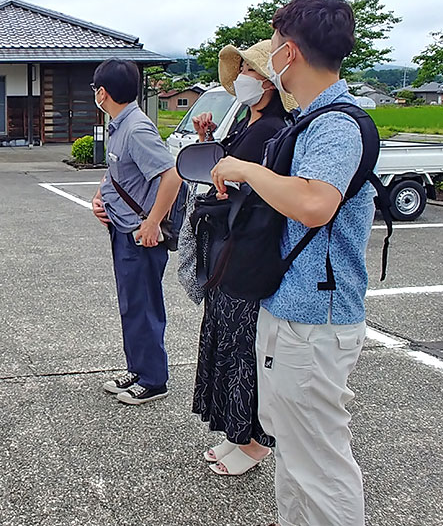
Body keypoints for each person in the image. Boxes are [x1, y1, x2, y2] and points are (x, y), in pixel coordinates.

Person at [210, 0, 373, 524]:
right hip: (293, 311)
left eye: (276, 42)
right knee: (297, 461)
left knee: (320, 467)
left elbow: (315, 203)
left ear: (291, 53)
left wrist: (247, 170)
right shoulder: (311, 118)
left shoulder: (335, 124)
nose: (270, 55)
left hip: (315, 319)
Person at [189, 40, 296, 476]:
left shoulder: (271, 128)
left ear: (268, 84)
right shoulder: (248, 124)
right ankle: (237, 434)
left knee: (241, 347)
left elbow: (247, 186)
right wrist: (207, 141)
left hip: (247, 249)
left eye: (251, 74)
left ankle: (253, 442)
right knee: (228, 339)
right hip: (229, 248)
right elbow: (223, 168)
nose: (244, 81)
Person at [90, 58, 182, 405]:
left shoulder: (136, 128)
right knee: (132, 305)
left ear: (103, 92)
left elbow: (171, 175)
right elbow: (118, 174)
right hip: (124, 228)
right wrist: (100, 198)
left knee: (143, 306)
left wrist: (152, 222)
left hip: (140, 235)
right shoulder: (120, 125)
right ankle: (139, 369)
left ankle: (154, 380)